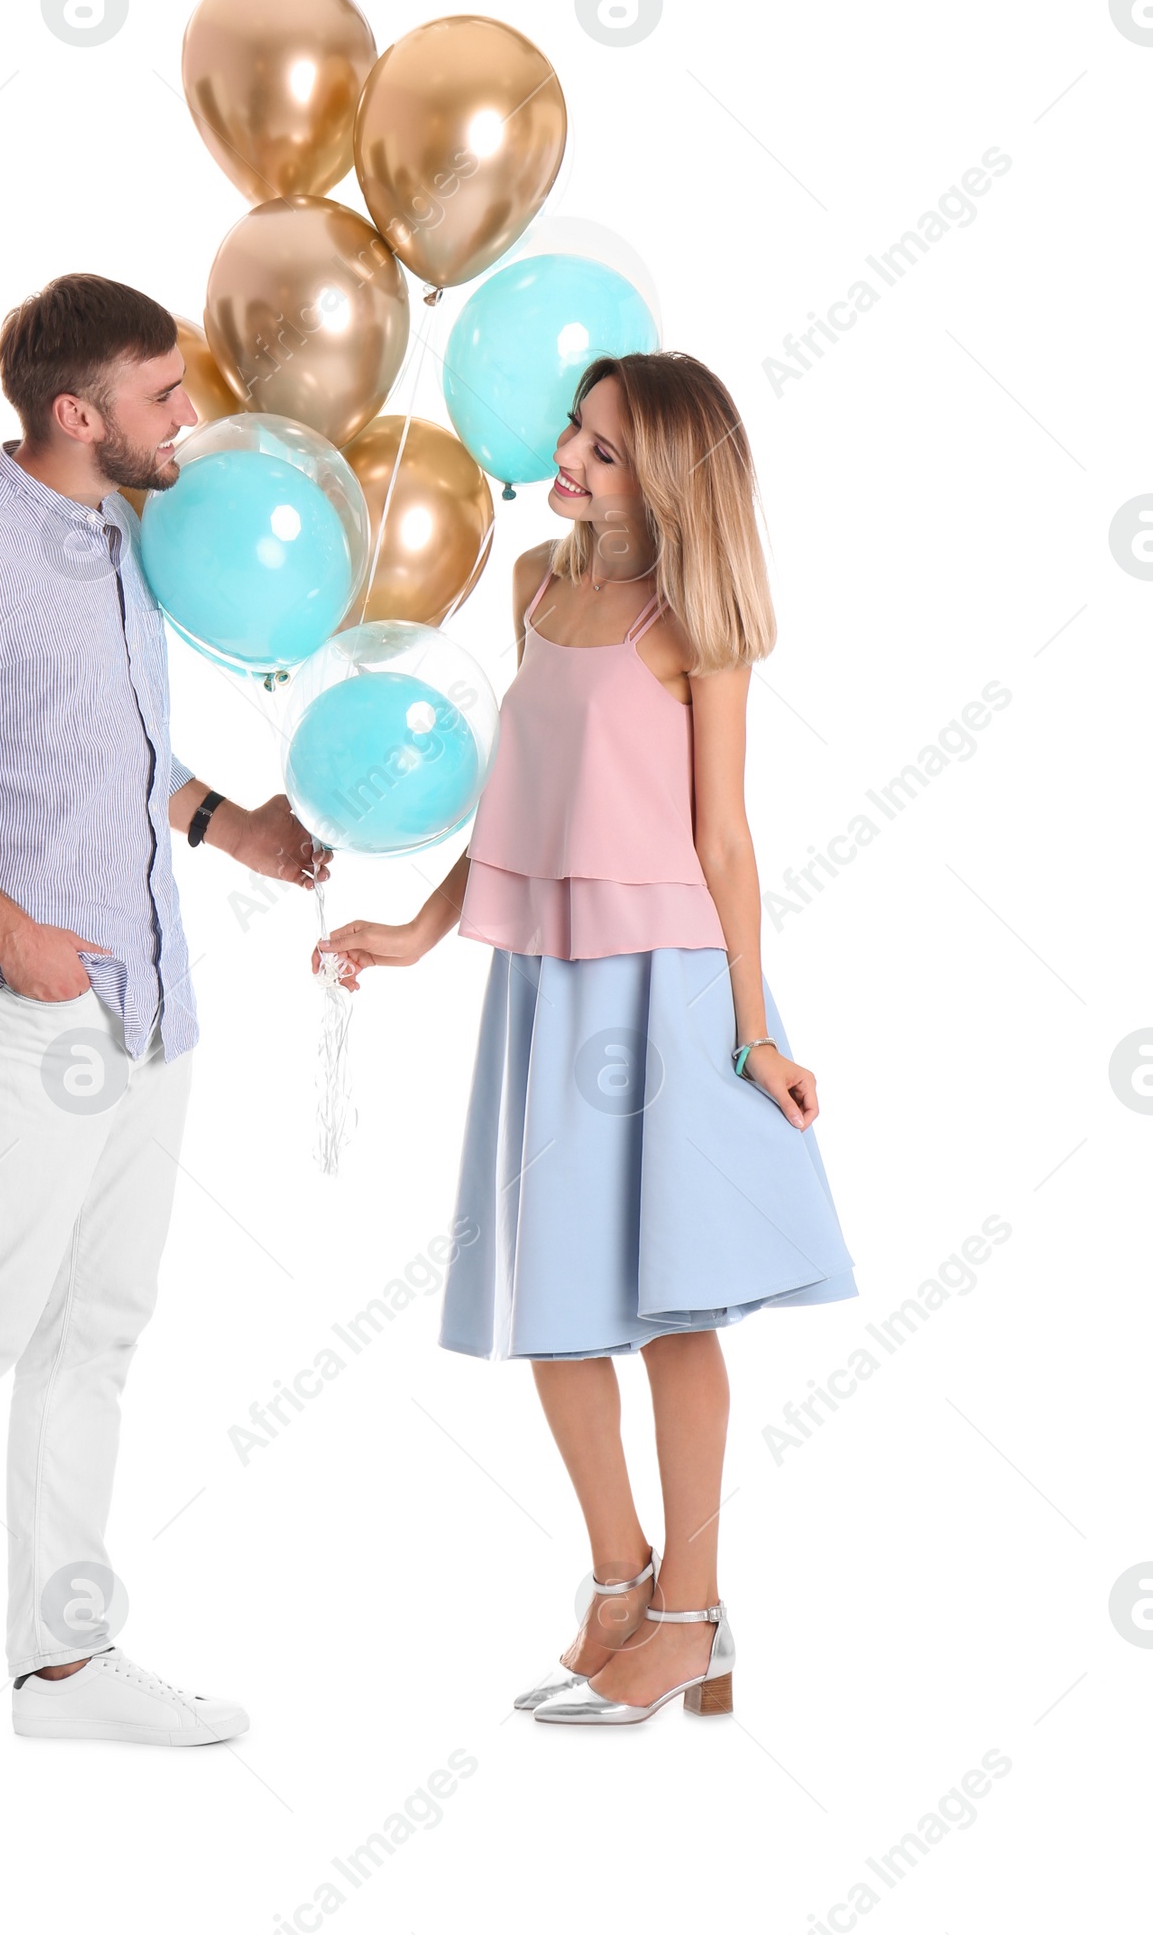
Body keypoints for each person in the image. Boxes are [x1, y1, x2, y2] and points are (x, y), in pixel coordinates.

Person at [0, 273, 323, 1777]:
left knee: (95, 1335)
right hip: (23, 1015)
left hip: (154, 1006)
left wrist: (233, 829)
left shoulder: (123, 545)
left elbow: (123, 761)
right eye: (164, 398)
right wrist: (13, 935)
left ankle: (66, 1655)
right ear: (74, 415)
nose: (193, 420)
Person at [316, 350, 855, 1727]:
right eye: (578, 433)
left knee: (674, 1305)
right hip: (550, 980)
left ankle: (694, 1613)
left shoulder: (693, 621)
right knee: (552, 1301)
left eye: (608, 450)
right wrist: (419, 931)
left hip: (669, 988)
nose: (572, 457)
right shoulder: (535, 589)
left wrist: (754, 1031)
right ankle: (622, 1581)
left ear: (666, 476)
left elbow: (724, 838)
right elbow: (521, 798)